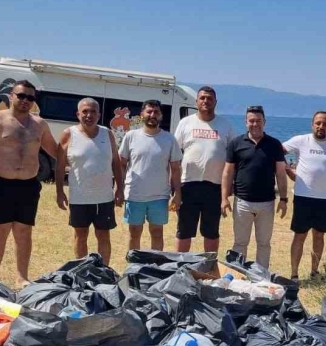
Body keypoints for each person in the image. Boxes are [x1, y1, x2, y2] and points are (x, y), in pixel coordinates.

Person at [0, 80, 57, 286]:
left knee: (24, 231)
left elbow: (55, 150)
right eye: (21, 95)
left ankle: (21, 278)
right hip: (0, 184)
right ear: (11, 95)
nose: (25, 100)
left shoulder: (39, 124)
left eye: (30, 97)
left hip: (28, 186)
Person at [55, 98, 122, 265]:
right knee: (80, 235)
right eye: (85, 111)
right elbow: (59, 166)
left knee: (103, 235)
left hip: (104, 197)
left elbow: (116, 162)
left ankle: (104, 270)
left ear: (99, 114)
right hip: (79, 197)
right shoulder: (68, 134)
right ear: (78, 114)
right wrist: (59, 192)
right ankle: (81, 271)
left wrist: (119, 188)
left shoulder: (107, 133)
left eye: (93, 111)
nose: (89, 115)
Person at [221, 105, 287, 269]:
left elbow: (280, 173)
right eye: (251, 121)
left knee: (264, 244)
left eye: (258, 121)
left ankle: (261, 278)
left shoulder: (274, 144)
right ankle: (237, 274)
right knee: (240, 242)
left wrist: (284, 199)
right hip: (242, 202)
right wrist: (224, 198)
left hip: (267, 203)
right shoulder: (236, 143)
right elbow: (227, 173)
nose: (255, 124)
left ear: (264, 122)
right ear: (246, 122)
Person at [174, 86, 235, 253]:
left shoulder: (225, 125)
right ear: (196, 101)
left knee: (211, 232)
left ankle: (208, 267)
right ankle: (180, 267)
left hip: (215, 187)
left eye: (209, 98)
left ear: (215, 102)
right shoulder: (185, 123)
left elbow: (233, 158)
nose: (205, 101)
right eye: (202, 98)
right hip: (188, 185)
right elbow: (174, 155)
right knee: (184, 231)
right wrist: (174, 187)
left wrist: (229, 186)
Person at [283, 111, 326, 282]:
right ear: (312, 124)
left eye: (324, 124)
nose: (321, 126)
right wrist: (289, 171)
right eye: (318, 123)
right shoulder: (301, 141)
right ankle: (294, 274)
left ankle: (314, 272)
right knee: (299, 235)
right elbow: (278, 151)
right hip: (303, 197)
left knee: (319, 236)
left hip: (325, 199)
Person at [119, 100, 182, 251]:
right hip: (134, 194)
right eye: (149, 112)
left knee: (157, 233)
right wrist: (118, 189)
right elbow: (121, 165)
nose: (152, 115)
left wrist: (177, 193)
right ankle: (133, 267)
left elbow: (175, 168)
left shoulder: (169, 139)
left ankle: (156, 268)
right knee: (134, 233)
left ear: (161, 115)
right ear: (142, 115)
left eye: (156, 112)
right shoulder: (131, 137)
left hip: (159, 196)